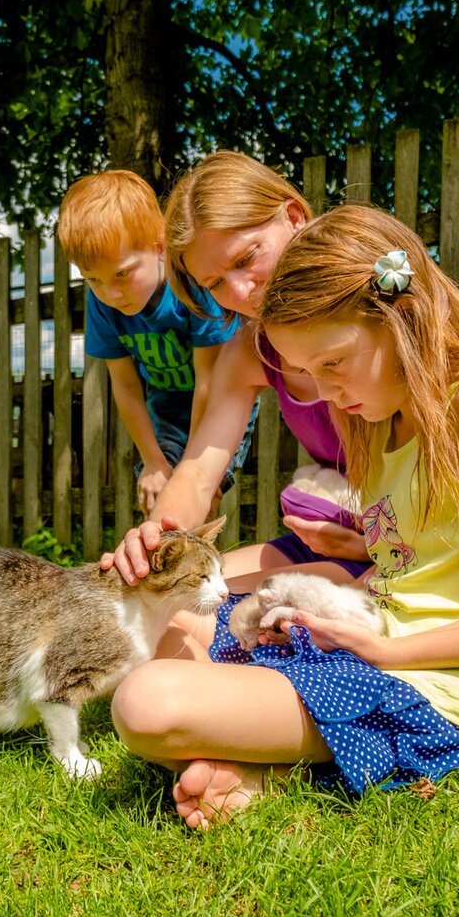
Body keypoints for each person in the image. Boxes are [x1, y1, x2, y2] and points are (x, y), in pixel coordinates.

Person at [110, 204, 459, 829]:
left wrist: (387, 653)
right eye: (310, 373)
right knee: (167, 616)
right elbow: (411, 566)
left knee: (146, 703)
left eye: (333, 364)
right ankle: (271, 759)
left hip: (436, 678)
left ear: (398, 317)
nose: (324, 391)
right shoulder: (374, 413)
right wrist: (331, 593)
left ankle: (276, 754)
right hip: (365, 634)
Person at [100, 152, 369, 593]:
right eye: (216, 284)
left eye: (246, 259)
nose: (241, 292)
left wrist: (375, 548)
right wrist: (153, 539)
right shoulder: (249, 350)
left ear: (295, 217)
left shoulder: (375, 321)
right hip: (334, 538)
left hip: (410, 548)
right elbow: (199, 472)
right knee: (182, 605)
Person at [57, 170, 256, 516]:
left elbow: (208, 380)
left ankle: (197, 567)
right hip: (164, 409)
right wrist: (153, 461)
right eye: (93, 280)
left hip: (220, 397)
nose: (110, 293)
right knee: (160, 496)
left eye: (122, 273)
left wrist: (191, 469)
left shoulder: (191, 288)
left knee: (197, 493)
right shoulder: (101, 305)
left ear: (159, 245)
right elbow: (125, 385)